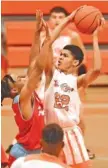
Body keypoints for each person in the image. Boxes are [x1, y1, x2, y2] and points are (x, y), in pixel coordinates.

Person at [42, 10, 104, 167]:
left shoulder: (75, 81)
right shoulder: (51, 75)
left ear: (75, 63)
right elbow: (48, 43)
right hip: (52, 133)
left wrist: (95, 37)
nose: (60, 57)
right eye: (60, 54)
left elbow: (96, 70)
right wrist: (69, 19)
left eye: (65, 55)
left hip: (71, 133)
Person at [1, 10, 50, 166]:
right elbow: (39, 66)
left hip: (33, 151)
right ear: (14, 90)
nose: (23, 77)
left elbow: (33, 61)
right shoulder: (23, 97)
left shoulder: (25, 92)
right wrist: (48, 41)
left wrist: (37, 34)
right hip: (23, 154)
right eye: (19, 78)